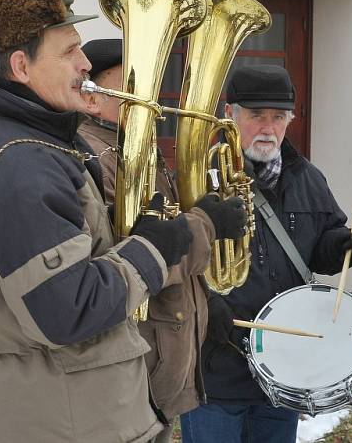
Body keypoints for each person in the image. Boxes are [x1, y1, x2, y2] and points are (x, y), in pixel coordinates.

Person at [0, 0, 200, 443]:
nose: (85, 65)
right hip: (68, 418)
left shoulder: (32, 143)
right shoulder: (21, 159)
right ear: (22, 67)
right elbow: (66, 310)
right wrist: (152, 250)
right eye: (69, 52)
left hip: (77, 409)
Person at [180, 65, 352, 443]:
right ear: (230, 115)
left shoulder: (308, 178)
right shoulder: (197, 176)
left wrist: (342, 246)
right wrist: (202, 305)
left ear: (290, 120)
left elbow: (320, 248)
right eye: (256, 116)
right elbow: (172, 258)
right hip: (215, 365)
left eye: (278, 117)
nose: (268, 128)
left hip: (284, 371)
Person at [77, 38, 248, 443]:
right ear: (91, 98)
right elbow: (134, 252)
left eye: (152, 89)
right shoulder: (97, 160)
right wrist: (206, 223)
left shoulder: (135, 153)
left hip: (156, 356)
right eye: (133, 90)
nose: (150, 102)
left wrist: (204, 296)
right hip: (137, 357)